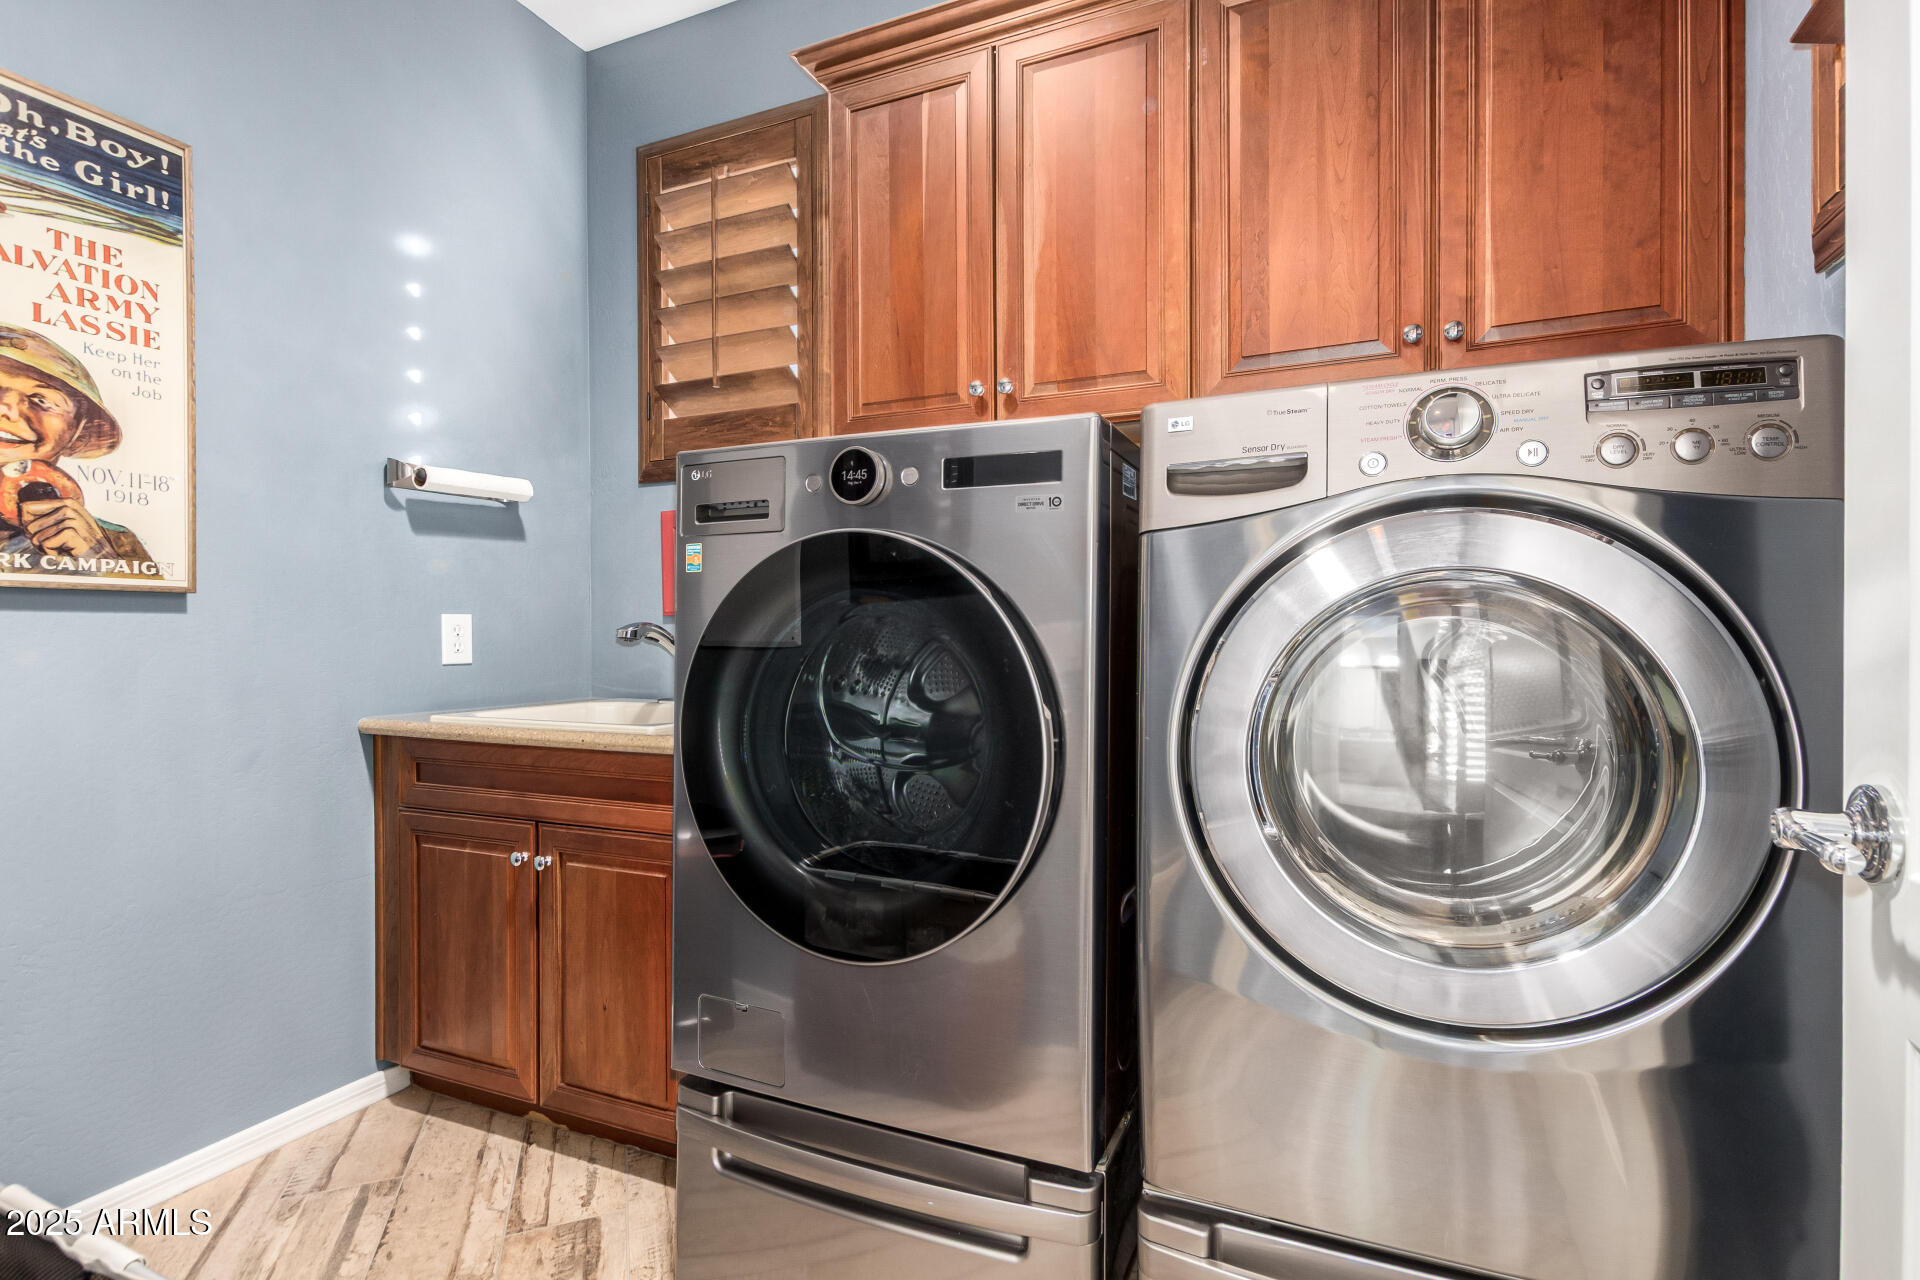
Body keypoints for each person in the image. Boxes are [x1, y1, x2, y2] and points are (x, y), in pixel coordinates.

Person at [0, 324, 155, 577]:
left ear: (77, 430)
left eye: (42, 400)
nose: (8, 411)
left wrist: (100, 562)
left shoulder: (117, 543)